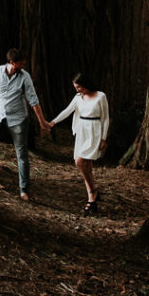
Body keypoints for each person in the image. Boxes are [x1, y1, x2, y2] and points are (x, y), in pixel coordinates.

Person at [0, 47, 50, 201]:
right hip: (0, 114)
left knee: (21, 154)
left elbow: (33, 100)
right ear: (12, 62)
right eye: (20, 63)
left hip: (18, 119)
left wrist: (42, 121)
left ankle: (24, 189)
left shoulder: (24, 77)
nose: (23, 66)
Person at [49, 73, 109, 213]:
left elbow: (105, 118)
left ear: (86, 84)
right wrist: (53, 122)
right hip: (82, 130)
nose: (77, 90)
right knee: (86, 164)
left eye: (79, 87)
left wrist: (103, 138)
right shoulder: (78, 98)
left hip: (94, 131)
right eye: (76, 87)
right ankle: (92, 196)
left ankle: (92, 192)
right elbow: (67, 111)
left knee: (80, 162)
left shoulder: (101, 96)